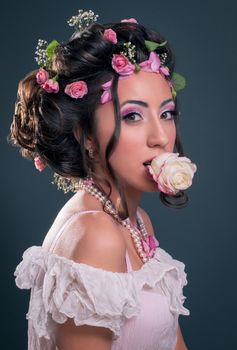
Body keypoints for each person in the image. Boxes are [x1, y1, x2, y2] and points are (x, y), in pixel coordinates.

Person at [8, 9, 192, 350]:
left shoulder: (136, 222)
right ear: (86, 134)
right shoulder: (96, 233)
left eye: (166, 113)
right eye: (133, 116)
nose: (160, 137)